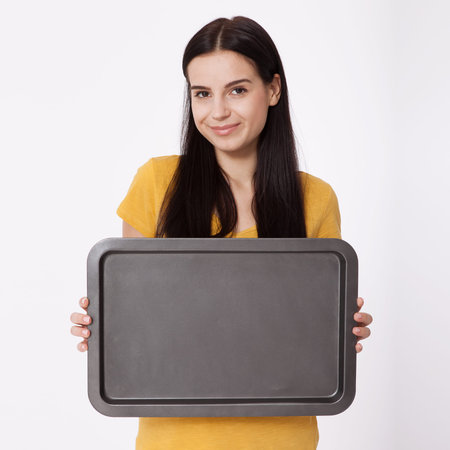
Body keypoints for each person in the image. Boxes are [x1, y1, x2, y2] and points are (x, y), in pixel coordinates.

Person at [70, 15, 373, 450]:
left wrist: (341, 335)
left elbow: (312, 345)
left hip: (282, 437)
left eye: (238, 90)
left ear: (272, 89)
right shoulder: (156, 183)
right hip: (172, 438)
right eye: (202, 94)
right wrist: (105, 329)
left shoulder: (316, 198)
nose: (218, 112)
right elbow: (134, 323)